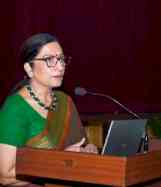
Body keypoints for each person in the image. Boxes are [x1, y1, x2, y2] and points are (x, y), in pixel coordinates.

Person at [0, 33, 98, 186]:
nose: (60, 66)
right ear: (29, 68)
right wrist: (60, 161)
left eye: (62, 59)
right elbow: (5, 175)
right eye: (49, 60)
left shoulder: (65, 101)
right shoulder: (15, 109)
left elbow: (81, 145)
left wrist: (89, 150)